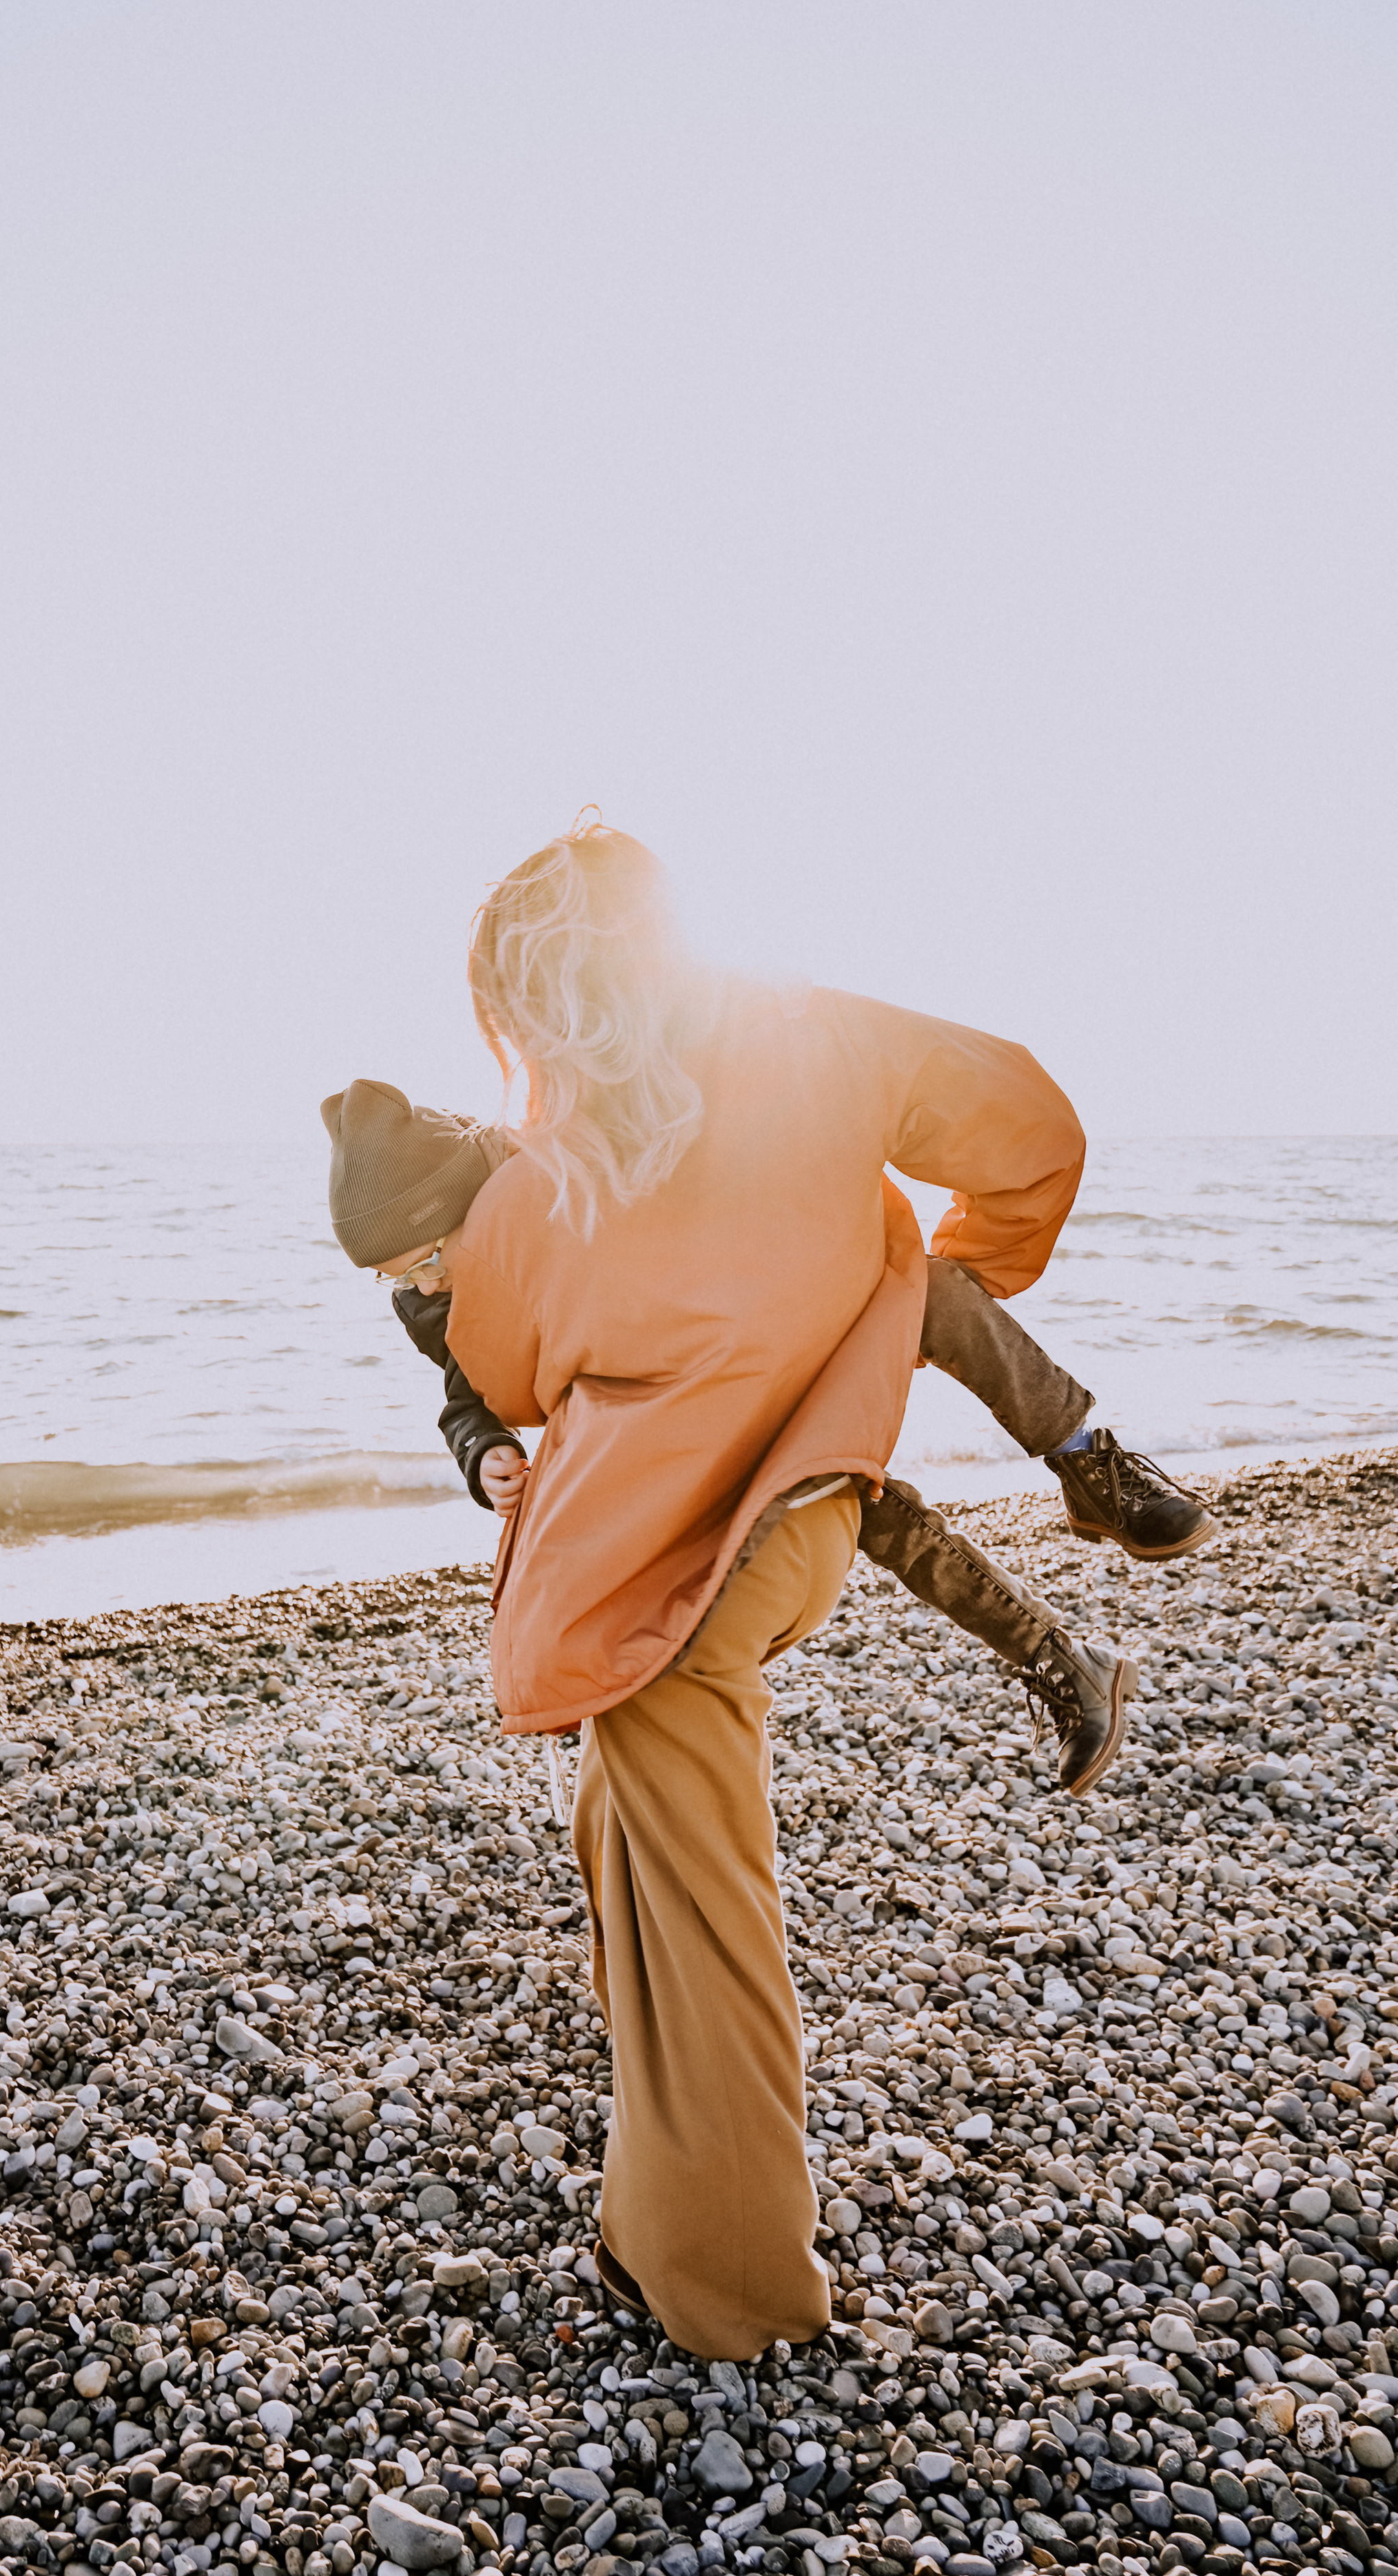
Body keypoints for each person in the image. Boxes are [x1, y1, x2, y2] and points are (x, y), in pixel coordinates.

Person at [371, 815, 1174, 2360]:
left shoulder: (545, 1190)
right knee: (629, 1842)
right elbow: (1027, 1126)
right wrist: (926, 1283)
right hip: (802, 1517)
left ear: (534, 1005)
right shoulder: (822, 1042)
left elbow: (512, 1378)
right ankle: (650, 2203)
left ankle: (732, 2296)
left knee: (706, 1923)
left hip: (660, 1559)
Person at [319, 1079, 1215, 1797]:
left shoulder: (564, 1177)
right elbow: (464, 1399)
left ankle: (1091, 1462)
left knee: (925, 1286)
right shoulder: (429, 1306)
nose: (422, 1289)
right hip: (682, 1420)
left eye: (429, 1259)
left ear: (475, 1205)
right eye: (396, 1279)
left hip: (749, 1304)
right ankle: (1064, 1662)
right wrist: (488, 1454)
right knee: (863, 1502)